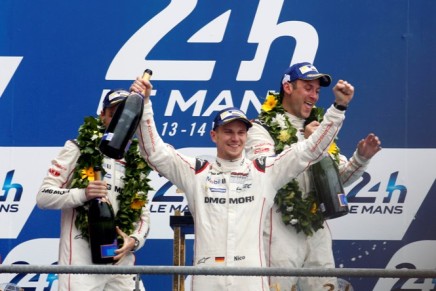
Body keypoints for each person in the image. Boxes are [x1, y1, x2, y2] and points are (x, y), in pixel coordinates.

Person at [130, 73, 353, 291]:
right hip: (208, 278)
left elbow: (310, 150)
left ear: (247, 136)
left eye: (240, 132)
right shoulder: (196, 172)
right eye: (227, 132)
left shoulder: (264, 172)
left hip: (250, 279)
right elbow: (154, 152)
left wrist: (338, 109)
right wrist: (145, 104)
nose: (235, 138)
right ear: (213, 136)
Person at [245, 62, 382, 291]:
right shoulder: (260, 128)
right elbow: (267, 173)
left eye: (318, 91)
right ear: (288, 88)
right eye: (308, 88)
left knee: (325, 287)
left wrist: (360, 159)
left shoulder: (320, 128)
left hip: (316, 227)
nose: (314, 96)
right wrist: (310, 142)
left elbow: (337, 181)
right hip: (278, 229)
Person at [36, 89, 151, 291]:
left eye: (127, 115)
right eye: (115, 113)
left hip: (121, 263)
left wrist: (133, 240)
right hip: (82, 266)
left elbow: (143, 215)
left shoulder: (137, 161)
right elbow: (43, 197)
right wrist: (83, 194)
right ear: (102, 115)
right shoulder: (78, 148)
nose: (121, 120)